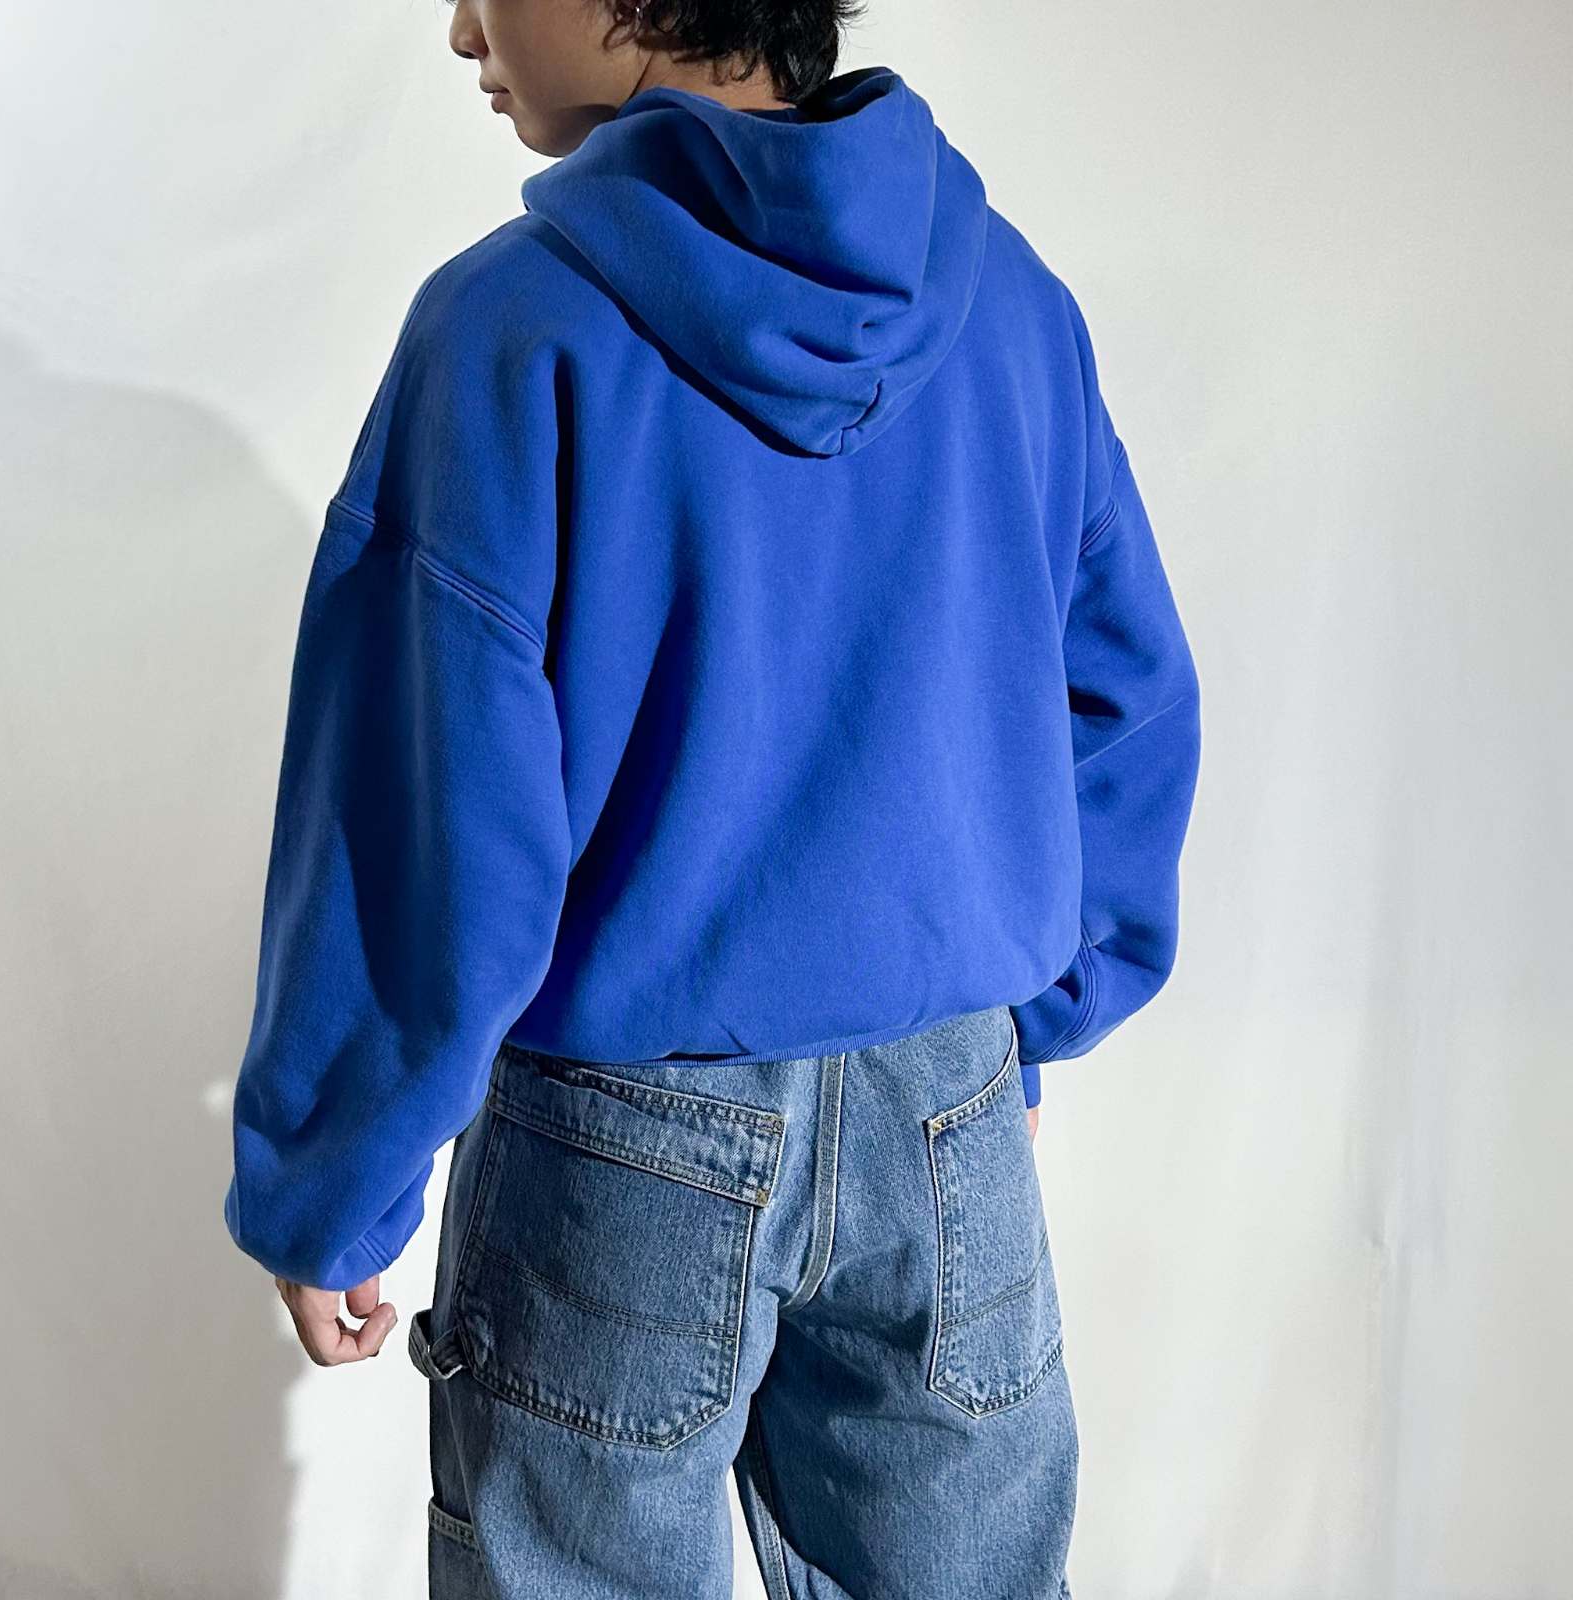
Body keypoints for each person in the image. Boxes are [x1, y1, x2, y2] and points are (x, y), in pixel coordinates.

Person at [221, 0, 1202, 1594]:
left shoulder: (509, 331)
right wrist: (1036, 1015)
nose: (462, 29)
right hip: (948, 1115)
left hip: (618, 1138)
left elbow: (427, 828)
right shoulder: (1014, 306)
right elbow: (1126, 698)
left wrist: (335, 1181)